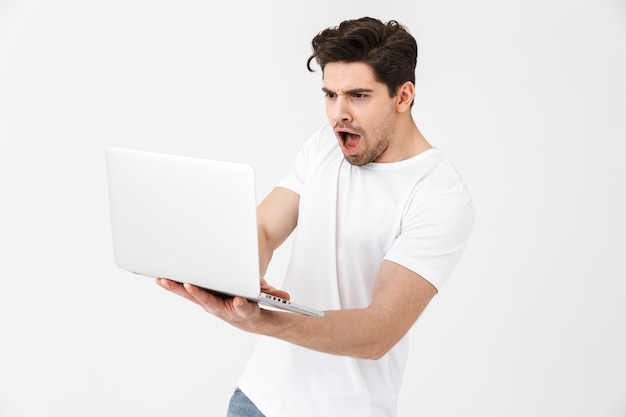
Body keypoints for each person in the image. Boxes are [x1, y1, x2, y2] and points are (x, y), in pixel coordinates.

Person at [157, 16, 475, 417]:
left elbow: (379, 331)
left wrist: (263, 322)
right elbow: (264, 229)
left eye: (358, 96)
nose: (338, 114)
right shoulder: (326, 145)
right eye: (330, 94)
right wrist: (233, 279)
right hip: (258, 399)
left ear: (403, 95)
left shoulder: (439, 194)